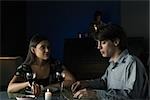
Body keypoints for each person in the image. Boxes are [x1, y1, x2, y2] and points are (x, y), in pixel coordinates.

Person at [71, 24, 148, 99]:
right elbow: (104, 82)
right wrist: (86, 83)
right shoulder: (111, 65)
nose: (98, 47)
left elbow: (132, 96)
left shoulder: (132, 63)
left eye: (103, 42)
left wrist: (96, 94)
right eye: (98, 43)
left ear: (116, 42)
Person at [7, 34, 75, 96]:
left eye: (48, 47)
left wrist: (51, 86)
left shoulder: (55, 64)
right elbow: (10, 88)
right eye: (43, 47)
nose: (47, 50)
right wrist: (28, 83)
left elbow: (72, 80)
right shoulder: (25, 68)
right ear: (33, 50)